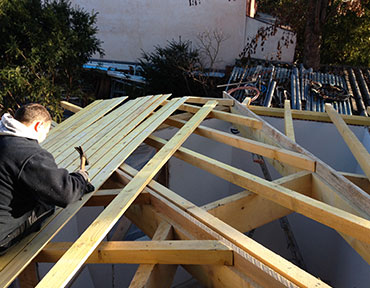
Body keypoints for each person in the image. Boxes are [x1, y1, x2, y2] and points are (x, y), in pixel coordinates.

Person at [0, 103, 94, 255]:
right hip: (1, 240)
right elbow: (65, 194)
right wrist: (81, 179)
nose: (44, 137)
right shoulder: (29, 154)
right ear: (38, 125)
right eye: (46, 131)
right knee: (46, 204)